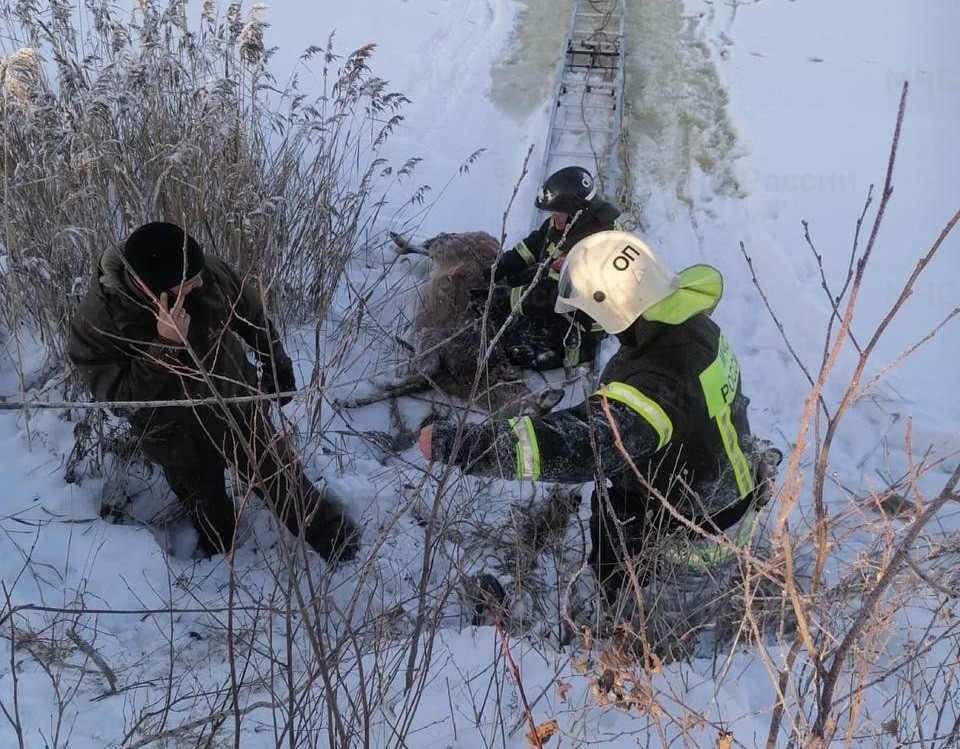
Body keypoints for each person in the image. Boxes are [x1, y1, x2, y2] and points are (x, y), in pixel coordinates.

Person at [421, 230, 773, 625]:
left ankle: (629, 637)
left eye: (590, 308)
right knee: (611, 510)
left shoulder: (659, 381)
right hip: (727, 491)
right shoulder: (691, 327)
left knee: (648, 617)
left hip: (691, 540)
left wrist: (466, 445)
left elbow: (578, 445)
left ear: (613, 306)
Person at [68, 221, 359, 561]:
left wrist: (276, 365)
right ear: (153, 291)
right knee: (203, 498)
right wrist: (165, 345)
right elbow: (122, 399)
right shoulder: (97, 323)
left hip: (236, 403)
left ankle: (339, 545)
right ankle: (221, 556)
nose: (200, 281)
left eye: (198, 273)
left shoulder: (203, 269)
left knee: (281, 477)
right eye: (188, 283)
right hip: (173, 432)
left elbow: (253, 317)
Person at [484, 166, 623, 371]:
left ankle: (579, 352)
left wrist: (505, 299)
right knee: (515, 281)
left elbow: (554, 296)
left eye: (559, 213)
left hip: (583, 321)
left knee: (512, 349)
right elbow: (535, 244)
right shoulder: (570, 222)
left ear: (579, 211)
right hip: (558, 291)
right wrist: (501, 268)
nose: (554, 218)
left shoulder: (595, 246)